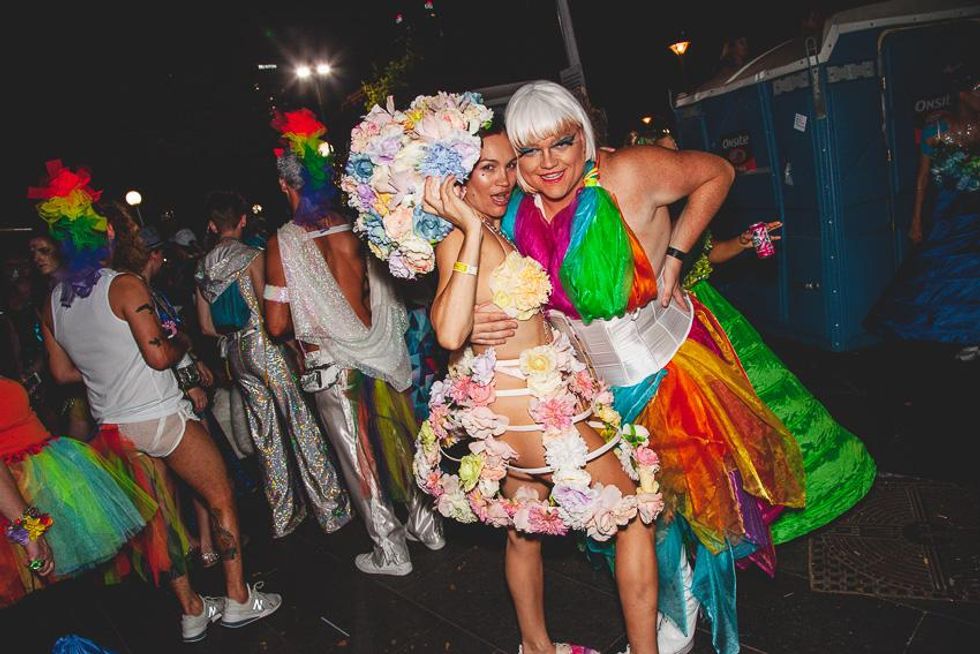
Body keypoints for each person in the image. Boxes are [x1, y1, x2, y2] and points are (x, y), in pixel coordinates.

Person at [469, 81, 806, 654]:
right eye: (531, 151)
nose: (549, 163)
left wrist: (676, 256)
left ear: (584, 133)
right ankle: (668, 603)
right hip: (588, 387)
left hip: (662, 369)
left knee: (673, 504)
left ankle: (674, 621)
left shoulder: (630, 171)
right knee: (635, 513)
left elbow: (717, 173)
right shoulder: (520, 204)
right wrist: (476, 322)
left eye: (562, 143)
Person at [402, 109, 662, 653]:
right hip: (527, 416)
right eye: (485, 169)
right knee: (634, 515)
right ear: (457, 180)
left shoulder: (493, 228)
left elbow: (474, 311)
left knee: (523, 529)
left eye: (506, 166)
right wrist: (471, 231)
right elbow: (448, 330)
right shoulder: (463, 234)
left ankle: (535, 646)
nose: (501, 180)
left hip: (515, 416)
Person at [31, 162, 281, 642]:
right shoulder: (123, 285)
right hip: (159, 415)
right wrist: (181, 339)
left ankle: (190, 611)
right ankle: (237, 600)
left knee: (162, 518)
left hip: (113, 428)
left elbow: (62, 373)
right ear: (103, 232)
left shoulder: (52, 303)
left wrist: (103, 365)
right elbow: (160, 355)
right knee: (220, 495)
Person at [264, 108, 442, 576]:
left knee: (358, 454)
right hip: (382, 349)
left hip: (333, 362)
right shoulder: (355, 225)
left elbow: (277, 324)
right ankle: (427, 524)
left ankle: (390, 548)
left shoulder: (285, 241)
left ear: (286, 186)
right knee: (403, 441)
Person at [195, 190, 351, 539]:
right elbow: (272, 312)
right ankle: (330, 507)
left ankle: (284, 515)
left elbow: (205, 327)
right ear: (242, 220)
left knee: (264, 433)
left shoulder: (203, 268)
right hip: (265, 345)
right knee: (299, 420)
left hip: (234, 352)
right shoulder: (251, 255)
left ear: (211, 225)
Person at [0, 375, 153, 607]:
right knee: (45, 589)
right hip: (22, 484)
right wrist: (30, 530)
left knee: (67, 586)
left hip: (47, 472)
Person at [866, 67, 979, 361]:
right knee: (947, 275)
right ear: (963, 95)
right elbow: (922, 178)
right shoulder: (936, 129)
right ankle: (960, 334)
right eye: (978, 91)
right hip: (949, 210)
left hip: (976, 207)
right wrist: (916, 219)